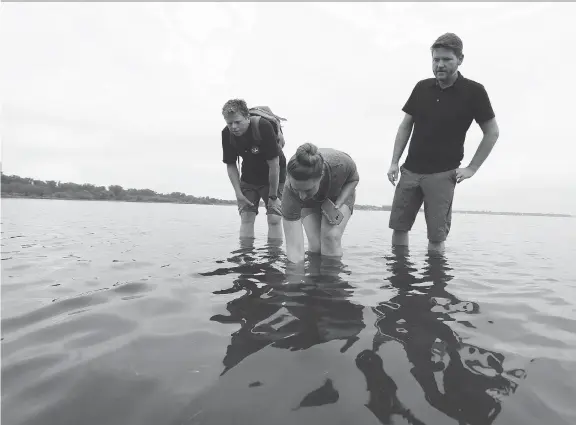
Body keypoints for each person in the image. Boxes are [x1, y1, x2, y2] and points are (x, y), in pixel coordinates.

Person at [387, 33, 500, 253]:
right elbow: (405, 126)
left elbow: (492, 132)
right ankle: (400, 282)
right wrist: (394, 162)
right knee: (399, 228)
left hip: (443, 174)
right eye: (435, 59)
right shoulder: (421, 88)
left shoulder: (474, 92)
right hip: (409, 171)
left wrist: (472, 168)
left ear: (460, 59)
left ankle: (435, 284)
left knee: (436, 237)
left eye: (447, 59)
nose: (440, 64)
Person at [282, 143, 359, 263]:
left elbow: (354, 179)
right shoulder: (290, 193)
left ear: (321, 177)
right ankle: (314, 279)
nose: (302, 196)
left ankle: (331, 281)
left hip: (338, 193)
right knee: (316, 245)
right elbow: (294, 249)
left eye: (307, 190)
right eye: (297, 190)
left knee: (330, 237)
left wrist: (338, 203)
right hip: (310, 204)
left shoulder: (340, 163)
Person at [221, 99, 286, 241]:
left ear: (247, 117)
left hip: (274, 174)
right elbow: (231, 165)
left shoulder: (263, 126)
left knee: (274, 218)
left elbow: (274, 164)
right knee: (246, 216)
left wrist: (273, 197)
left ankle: (273, 258)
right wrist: (238, 193)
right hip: (249, 174)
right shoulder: (226, 134)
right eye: (229, 123)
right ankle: (245, 257)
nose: (234, 127)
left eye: (238, 122)